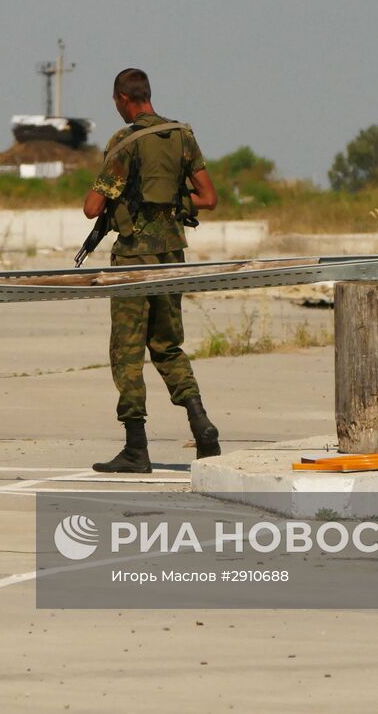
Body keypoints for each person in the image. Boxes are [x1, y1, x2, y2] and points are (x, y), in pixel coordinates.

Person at [82, 68, 221, 473]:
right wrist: (177, 203)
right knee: (167, 345)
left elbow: (92, 207)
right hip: (172, 257)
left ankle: (135, 447)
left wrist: (116, 200)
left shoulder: (124, 142)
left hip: (132, 261)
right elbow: (208, 197)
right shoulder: (182, 136)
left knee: (127, 352)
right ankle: (202, 426)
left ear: (124, 99)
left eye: (116, 104)